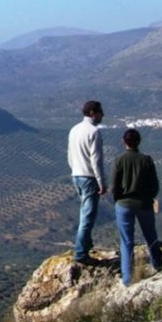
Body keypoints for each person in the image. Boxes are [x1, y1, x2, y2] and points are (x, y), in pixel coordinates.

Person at [111, 127, 162, 286]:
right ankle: (159, 264)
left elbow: (114, 186)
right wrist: (149, 197)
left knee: (126, 242)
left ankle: (127, 279)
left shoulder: (119, 160)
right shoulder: (146, 160)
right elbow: (154, 185)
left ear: (124, 142)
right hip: (144, 204)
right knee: (151, 237)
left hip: (124, 204)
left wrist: (118, 199)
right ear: (139, 142)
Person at [68, 100, 106, 264]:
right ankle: (81, 253)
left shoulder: (74, 129)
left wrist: (75, 170)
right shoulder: (94, 131)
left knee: (84, 212)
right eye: (100, 112)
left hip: (76, 175)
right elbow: (96, 160)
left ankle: (85, 245)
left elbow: (69, 155)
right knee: (87, 217)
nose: (102, 115)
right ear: (92, 113)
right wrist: (101, 182)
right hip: (89, 177)